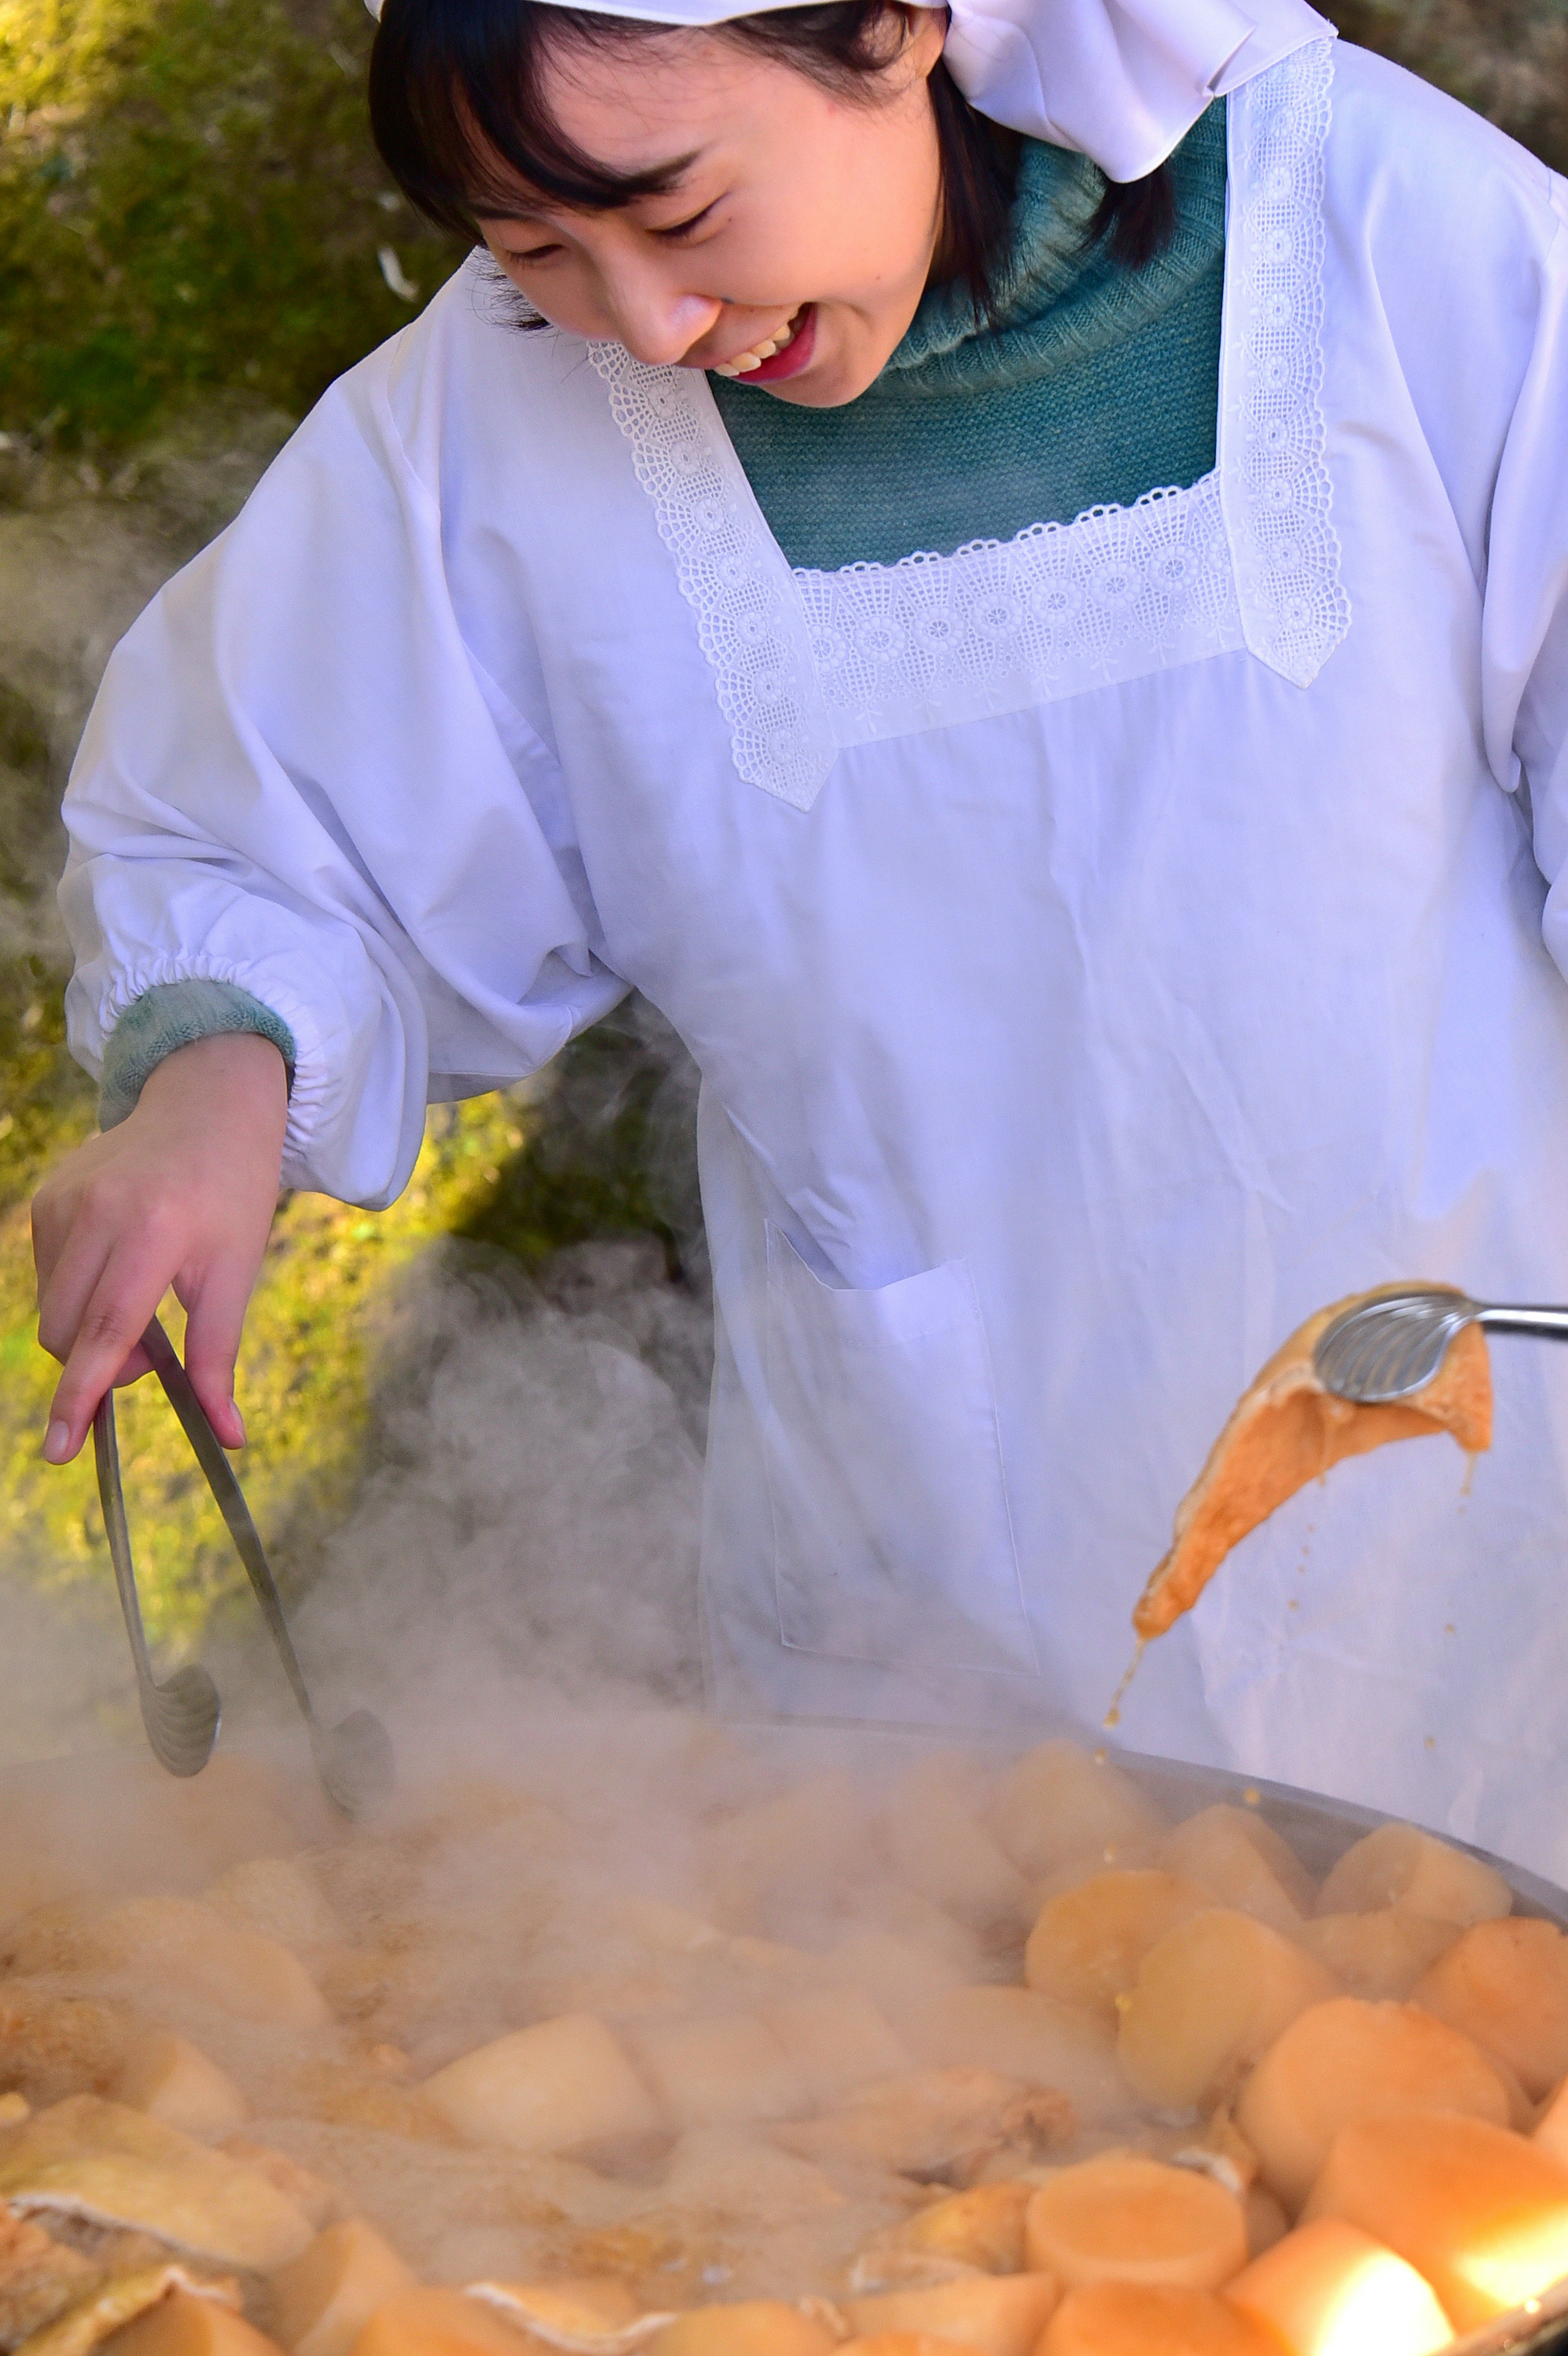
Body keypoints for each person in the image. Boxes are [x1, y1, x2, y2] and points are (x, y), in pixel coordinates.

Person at [31, 0, 1568, 1874]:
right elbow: (278, 828)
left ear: (898, 26)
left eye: (678, 215)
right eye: (532, 246)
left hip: (1475, 1529)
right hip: (924, 1593)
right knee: (945, 2092)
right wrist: (207, 1087)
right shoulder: (498, 407)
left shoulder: (1404, 243)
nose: (646, 324)